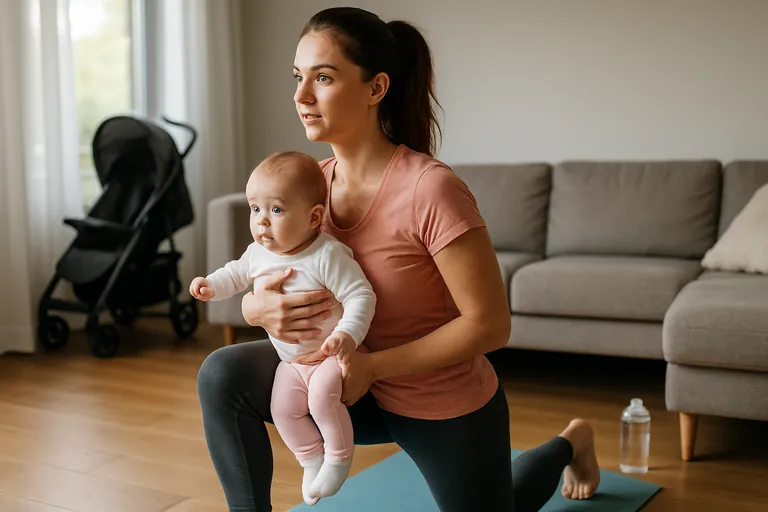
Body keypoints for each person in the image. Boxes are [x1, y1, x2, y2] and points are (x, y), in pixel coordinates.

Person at [197, 6, 601, 512]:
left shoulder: (430, 188)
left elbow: (491, 325)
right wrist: (253, 309)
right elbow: (263, 267)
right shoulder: (305, 188)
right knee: (221, 374)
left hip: (437, 399)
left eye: (323, 77)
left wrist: (374, 366)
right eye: (298, 77)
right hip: (338, 388)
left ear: (375, 88)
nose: (301, 96)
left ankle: (569, 443)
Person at [190, 152, 376, 505]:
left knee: (322, 399)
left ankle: (338, 458)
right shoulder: (258, 253)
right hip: (290, 362)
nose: (262, 222)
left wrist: (347, 336)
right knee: (283, 408)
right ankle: (311, 458)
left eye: (275, 210)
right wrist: (211, 286)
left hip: (329, 357)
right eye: (254, 209)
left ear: (314, 217)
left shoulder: (327, 255)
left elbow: (361, 295)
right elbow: (235, 273)